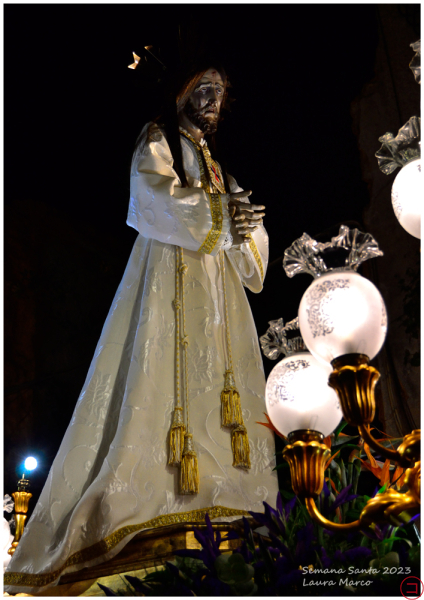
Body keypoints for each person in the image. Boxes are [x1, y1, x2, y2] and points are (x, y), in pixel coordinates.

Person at [5, 59, 278, 595]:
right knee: (162, 376)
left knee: (219, 382)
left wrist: (245, 224)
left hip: (218, 292)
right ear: (181, 93)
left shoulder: (217, 167)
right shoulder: (160, 140)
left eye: (220, 91)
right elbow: (151, 196)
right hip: (171, 276)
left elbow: (248, 247)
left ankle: (226, 499)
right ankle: (159, 501)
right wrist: (221, 215)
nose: (213, 99)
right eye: (203, 88)